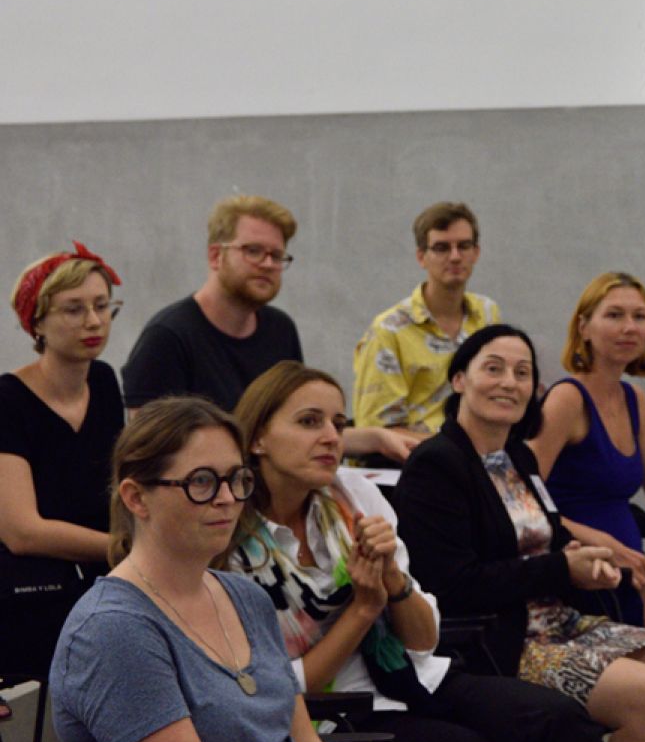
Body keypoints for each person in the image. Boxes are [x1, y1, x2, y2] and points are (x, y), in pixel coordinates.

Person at [230, 360, 617, 742]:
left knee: (560, 721)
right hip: (325, 712)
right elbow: (282, 688)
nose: (330, 437)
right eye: (309, 422)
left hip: (410, 677)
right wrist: (364, 609)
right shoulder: (229, 536)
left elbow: (422, 641)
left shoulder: (353, 496)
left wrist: (393, 581)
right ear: (258, 439)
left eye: (338, 424)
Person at [394, 325, 645, 742]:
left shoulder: (517, 458)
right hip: (500, 640)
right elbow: (451, 585)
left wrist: (592, 559)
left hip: (561, 622)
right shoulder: (437, 464)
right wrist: (564, 568)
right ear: (459, 380)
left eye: (522, 373)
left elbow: (546, 536)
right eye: (494, 369)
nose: (509, 382)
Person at [50, 396, 379, 742]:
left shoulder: (247, 597)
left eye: (237, 479)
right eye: (202, 481)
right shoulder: (111, 630)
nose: (227, 499)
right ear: (137, 498)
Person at [121, 194, 414, 465]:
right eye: (253, 251)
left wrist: (376, 439)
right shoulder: (168, 337)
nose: (268, 264)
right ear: (215, 256)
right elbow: (149, 451)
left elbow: (297, 431)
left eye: (277, 255)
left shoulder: (280, 329)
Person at [532, 272, 645, 637]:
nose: (629, 327)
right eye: (614, 315)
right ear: (583, 327)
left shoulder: (634, 399)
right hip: (590, 578)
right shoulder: (568, 399)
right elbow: (522, 502)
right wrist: (603, 543)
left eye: (640, 317)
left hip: (635, 572)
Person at [1, 245, 126, 678]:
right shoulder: (8, 400)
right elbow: (22, 532)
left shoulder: (104, 381)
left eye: (102, 306)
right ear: (36, 322)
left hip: (101, 583)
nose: (93, 321)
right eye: (74, 309)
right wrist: (124, 548)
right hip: (32, 594)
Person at [353, 201, 502, 442]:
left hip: (476, 453)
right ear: (421, 257)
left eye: (464, 246)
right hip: (410, 460)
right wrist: (454, 450)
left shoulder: (487, 314)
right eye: (441, 248)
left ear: (476, 253)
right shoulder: (388, 330)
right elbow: (377, 431)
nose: (455, 257)